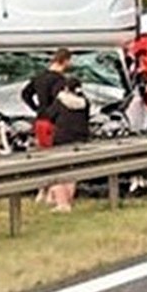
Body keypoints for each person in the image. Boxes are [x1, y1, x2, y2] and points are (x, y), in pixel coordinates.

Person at [42, 75, 91, 212]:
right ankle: (68, 200)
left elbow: (50, 116)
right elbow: (86, 118)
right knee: (72, 171)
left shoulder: (61, 100)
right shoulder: (85, 102)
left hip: (63, 138)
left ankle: (62, 203)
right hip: (80, 139)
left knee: (58, 170)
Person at [21, 48, 72, 149]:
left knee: (44, 153)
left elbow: (25, 94)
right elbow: (60, 99)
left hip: (40, 120)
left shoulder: (39, 77)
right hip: (55, 122)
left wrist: (36, 108)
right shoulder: (60, 80)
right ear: (65, 60)